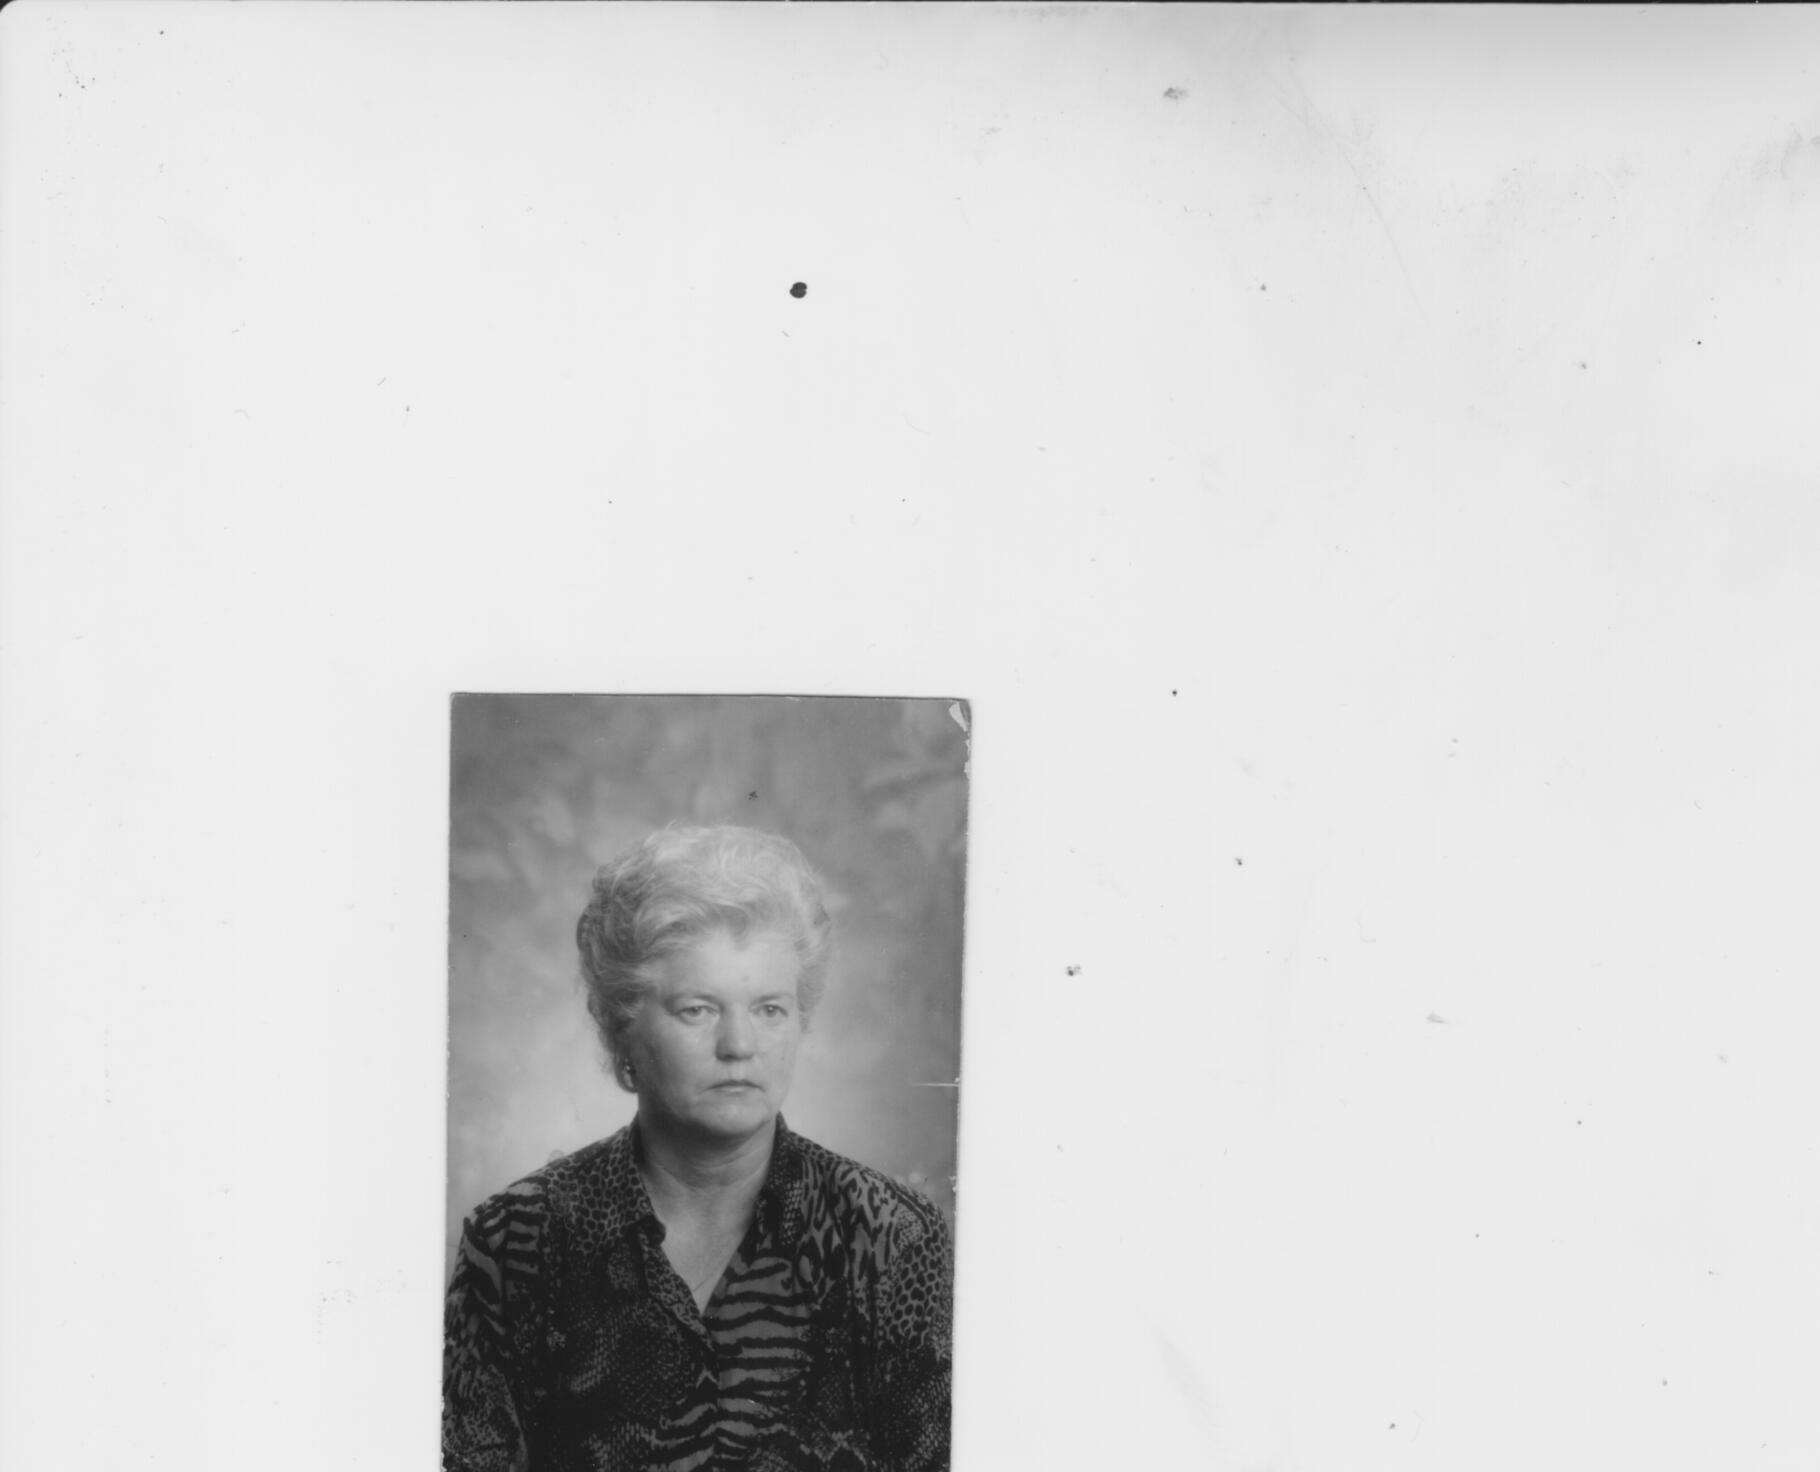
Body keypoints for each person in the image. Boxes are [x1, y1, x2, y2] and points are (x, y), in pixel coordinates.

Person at [443, 825, 954, 1472]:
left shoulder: (892, 1238)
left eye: (769, 1009)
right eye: (698, 1009)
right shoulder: (515, 1242)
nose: (739, 1045)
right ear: (623, 1026)